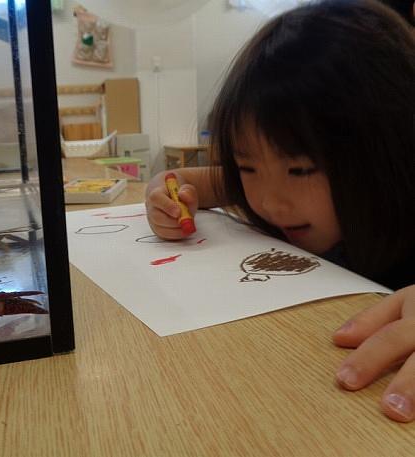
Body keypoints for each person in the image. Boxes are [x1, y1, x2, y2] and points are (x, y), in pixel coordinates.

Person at [145, 0, 414, 422]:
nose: (269, 202)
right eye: (248, 165)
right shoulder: (270, 192)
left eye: (300, 168)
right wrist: (166, 190)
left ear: (390, 151)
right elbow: (198, 182)